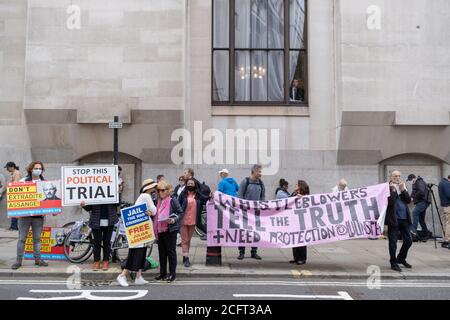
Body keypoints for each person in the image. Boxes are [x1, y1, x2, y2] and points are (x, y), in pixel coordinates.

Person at [117, 179, 158, 287]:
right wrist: (152, 209)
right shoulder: (146, 196)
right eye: (154, 187)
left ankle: (138, 277)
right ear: (149, 187)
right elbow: (154, 211)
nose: (155, 189)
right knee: (135, 254)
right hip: (141, 230)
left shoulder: (142, 196)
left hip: (140, 229)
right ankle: (122, 275)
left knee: (141, 254)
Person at [12, 161, 49, 269]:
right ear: (31, 169)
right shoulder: (23, 181)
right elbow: (17, 197)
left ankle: (38, 259)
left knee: (37, 239)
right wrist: (16, 212)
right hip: (24, 216)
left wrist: (53, 209)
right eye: (36, 168)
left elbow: (49, 199)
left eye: (40, 168)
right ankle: (18, 261)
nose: (38, 170)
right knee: (22, 239)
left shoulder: (45, 182)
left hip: (38, 217)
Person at [154, 181, 184, 282]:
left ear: (167, 191)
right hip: (159, 230)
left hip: (170, 230)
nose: (160, 192)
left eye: (162, 190)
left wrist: (174, 219)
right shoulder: (157, 201)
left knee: (171, 252)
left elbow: (180, 213)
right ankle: (162, 273)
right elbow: (155, 215)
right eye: (158, 190)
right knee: (161, 253)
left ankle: (172, 274)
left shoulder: (172, 200)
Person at [385, 170, 413, 272]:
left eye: (399, 176)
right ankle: (393, 262)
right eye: (395, 176)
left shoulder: (402, 186)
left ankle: (401, 258)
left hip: (404, 218)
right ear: (391, 177)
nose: (397, 178)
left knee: (409, 241)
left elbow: (408, 200)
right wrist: (393, 190)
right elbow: (390, 202)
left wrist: (403, 190)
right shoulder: (387, 187)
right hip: (394, 219)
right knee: (393, 242)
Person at [179, 178, 209, 268]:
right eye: (189, 183)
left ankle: (185, 255)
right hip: (183, 221)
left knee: (188, 240)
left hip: (193, 221)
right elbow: (178, 205)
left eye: (192, 183)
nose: (190, 185)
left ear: (195, 185)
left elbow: (206, 199)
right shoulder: (183, 194)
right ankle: (186, 258)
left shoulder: (198, 195)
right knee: (184, 240)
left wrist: (212, 196)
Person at [80, 201, 119, 271]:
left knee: (107, 242)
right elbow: (89, 208)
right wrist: (84, 205)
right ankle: (96, 261)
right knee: (97, 242)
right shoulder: (94, 191)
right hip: (96, 220)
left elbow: (117, 203)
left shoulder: (112, 190)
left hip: (110, 220)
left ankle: (105, 261)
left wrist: (119, 193)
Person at [237, 164, 265, 260]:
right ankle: (241, 252)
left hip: (256, 213)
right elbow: (240, 196)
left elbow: (262, 196)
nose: (260, 174)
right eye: (259, 171)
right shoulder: (245, 182)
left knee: (255, 232)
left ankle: (254, 251)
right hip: (245, 212)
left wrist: (260, 205)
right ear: (254, 171)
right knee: (243, 232)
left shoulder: (261, 183)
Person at [183, 168, 211, 240]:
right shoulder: (191, 181)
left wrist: (207, 198)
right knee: (197, 222)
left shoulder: (192, 182)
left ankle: (211, 234)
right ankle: (211, 234)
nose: (184, 174)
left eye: (185, 173)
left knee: (198, 223)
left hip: (195, 205)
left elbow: (198, 193)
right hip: (195, 205)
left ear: (190, 173)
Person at [290, 180, 310, 265]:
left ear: (300, 186)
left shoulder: (306, 196)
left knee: (301, 240)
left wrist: (301, 198)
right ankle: (296, 257)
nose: (295, 185)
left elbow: (309, 204)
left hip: (302, 221)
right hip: (294, 220)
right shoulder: (294, 194)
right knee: (295, 240)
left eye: (297, 185)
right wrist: (294, 194)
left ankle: (302, 258)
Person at [407, 174, 431, 241]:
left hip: (423, 201)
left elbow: (421, 192)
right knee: (421, 219)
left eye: (410, 180)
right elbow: (414, 192)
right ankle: (426, 234)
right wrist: (410, 197)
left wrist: (413, 197)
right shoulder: (416, 183)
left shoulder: (419, 182)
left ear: (414, 178)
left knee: (415, 213)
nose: (410, 182)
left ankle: (413, 231)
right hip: (422, 202)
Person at [5, 162, 21, 231]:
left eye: (7, 167)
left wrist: (9, 185)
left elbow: (15, 184)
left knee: (15, 211)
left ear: (12, 167)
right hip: (14, 195)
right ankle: (13, 226)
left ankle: (14, 226)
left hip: (16, 195)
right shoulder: (14, 173)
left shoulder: (16, 173)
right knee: (14, 211)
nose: (7, 169)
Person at [438, 175, 450, 249]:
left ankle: (445, 239)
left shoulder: (441, 183)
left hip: (444, 205)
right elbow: (449, 194)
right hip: (448, 206)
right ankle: (447, 240)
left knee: (445, 222)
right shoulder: (447, 184)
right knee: (449, 223)